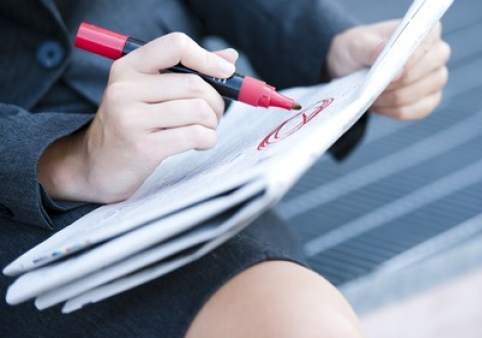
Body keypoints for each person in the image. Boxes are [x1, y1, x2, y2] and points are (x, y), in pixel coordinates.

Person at [0, 0, 450, 337]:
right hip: (14, 196)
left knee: (291, 316)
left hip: (186, 152)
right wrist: (68, 159)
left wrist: (330, 44)